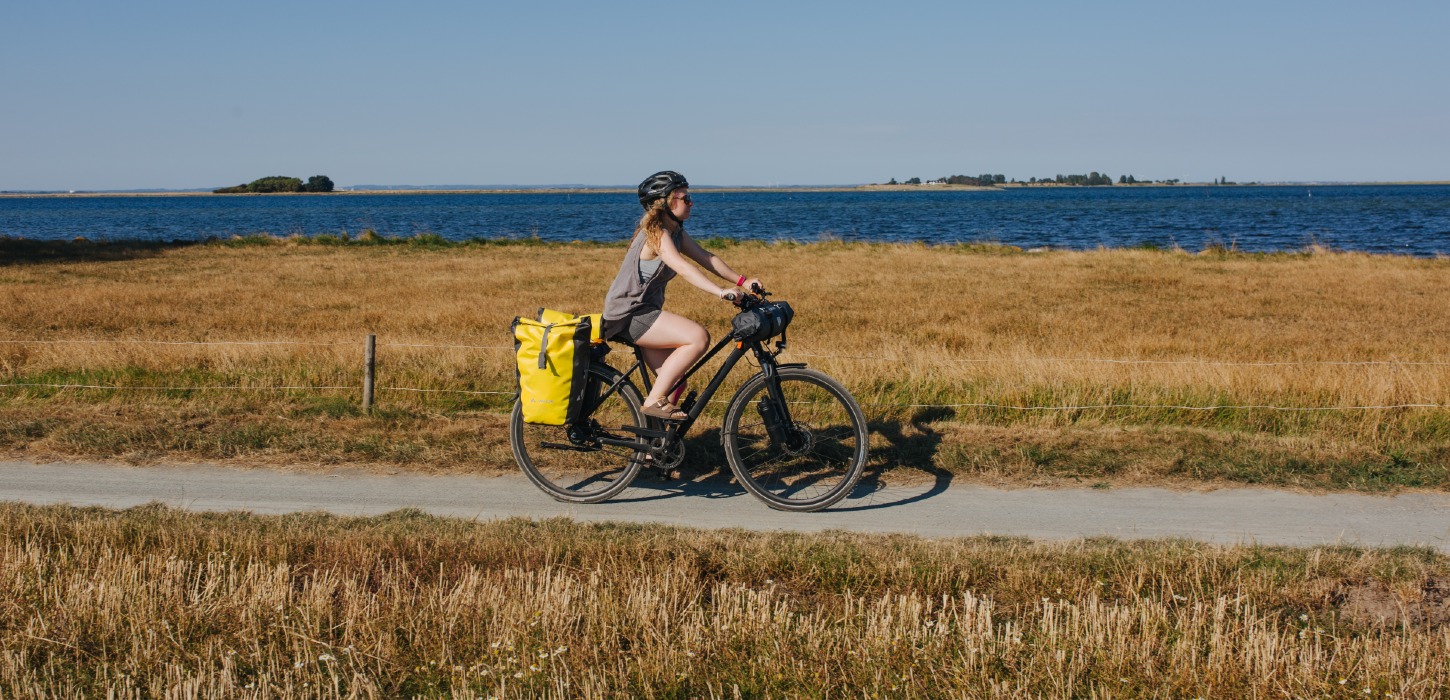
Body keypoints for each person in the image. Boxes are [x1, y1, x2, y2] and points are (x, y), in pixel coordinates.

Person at [602, 171, 761, 420]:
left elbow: (706, 257)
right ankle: (653, 400)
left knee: (676, 383)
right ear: (664, 202)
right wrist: (721, 292)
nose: (691, 202)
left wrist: (743, 280)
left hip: (645, 312)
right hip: (629, 314)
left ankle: (653, 442)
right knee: (698, 337)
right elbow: (684, 267)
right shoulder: (657, 234)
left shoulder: (675, 232)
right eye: (684, 198)